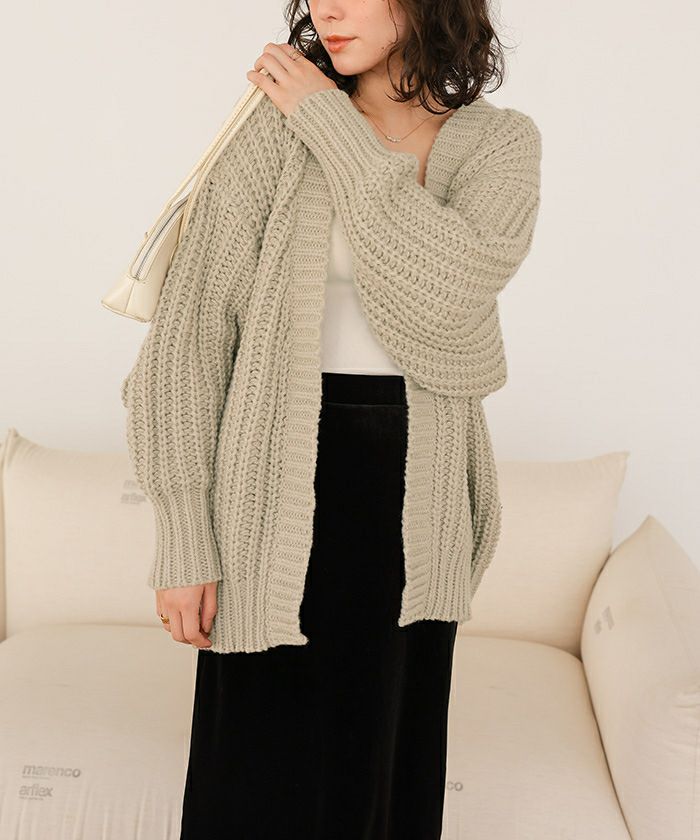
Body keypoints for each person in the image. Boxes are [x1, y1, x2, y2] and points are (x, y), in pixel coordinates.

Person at [120, 0, 542, 836]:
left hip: (415, 498)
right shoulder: (269, 129)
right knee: (254, 781)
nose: (328, 7)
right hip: (267, 479)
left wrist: (331, 123)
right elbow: (190, 336)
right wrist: (183, 533)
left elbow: (450, 290)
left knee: (377, 780)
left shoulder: (500, 144)